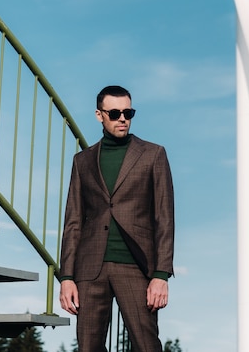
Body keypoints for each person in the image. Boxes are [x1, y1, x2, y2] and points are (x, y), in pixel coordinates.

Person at [59, 85, 175, 352]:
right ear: (100, 115)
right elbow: (73, 221)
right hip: (89, 270)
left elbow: (164, 217)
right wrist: (67, 277)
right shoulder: (82, 161)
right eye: (115, 113)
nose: (123, 118)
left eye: (128, 112)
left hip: (136, 266)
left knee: (147, 346)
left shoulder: (153, 154)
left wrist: (161, 274)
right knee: (88, 347)